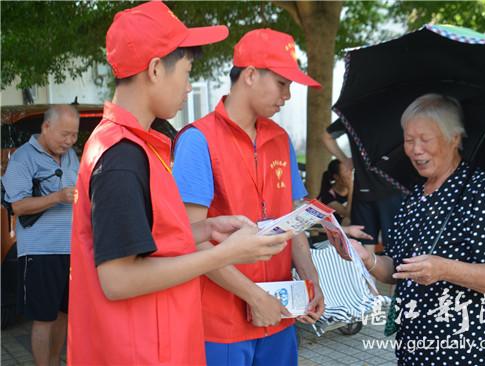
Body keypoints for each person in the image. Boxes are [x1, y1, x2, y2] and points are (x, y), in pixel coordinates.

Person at [67, 4, 292, 365]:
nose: (189, 87)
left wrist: (205, 229)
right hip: (139, 351)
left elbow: (145, 240)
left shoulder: (133, 145)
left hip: (153, 342)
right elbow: (118, 279)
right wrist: (226, 254)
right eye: (187, 73)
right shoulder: (121, 157)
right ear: (156, 69)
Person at [172, 28, 324, 366]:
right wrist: (254, 297)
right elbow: (191, 239)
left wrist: (311, 281)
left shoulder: (280, 138)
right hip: (222, 323)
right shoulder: (199, 140)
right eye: (283, 83)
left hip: (279, 314)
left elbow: (293, 221)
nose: (287, 95)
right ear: (251, 75)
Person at [352, 94, 485, 365]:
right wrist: (368, 258)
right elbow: (400, 270)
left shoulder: (481, 192)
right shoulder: (415, 196)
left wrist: (444, 269)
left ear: (454, 138)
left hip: (470, 351)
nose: (415, 149)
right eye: (409, 140)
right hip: (417, 348)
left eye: (425, 139)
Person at [2, 105, 79, 366]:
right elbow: (18, 207)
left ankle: (56, 361)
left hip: (71, 249)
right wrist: (57, 197)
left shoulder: (71, 156)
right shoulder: (23, 158)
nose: (69, 141)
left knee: (64, 313)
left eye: (74, 135)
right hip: (40, 251)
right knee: (43, 316)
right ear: (46, 128)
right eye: (64, 134)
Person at [323, 118, 403, 254]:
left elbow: (326, 137)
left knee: (364, 247)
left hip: (363, 188)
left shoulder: (354, 115)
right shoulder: (399, 115)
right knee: (395, 246)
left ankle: (365, 275)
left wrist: (346, 160)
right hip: (392, 186)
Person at [317, 159, 371, 240]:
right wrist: (351, 187)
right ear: (336, 176)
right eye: (346, 171)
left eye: (351, 170)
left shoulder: (356, 190)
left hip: (351, 233)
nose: (350, 174)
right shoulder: (328, 196)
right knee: (347, 219)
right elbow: (348, 213)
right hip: (331, 238)